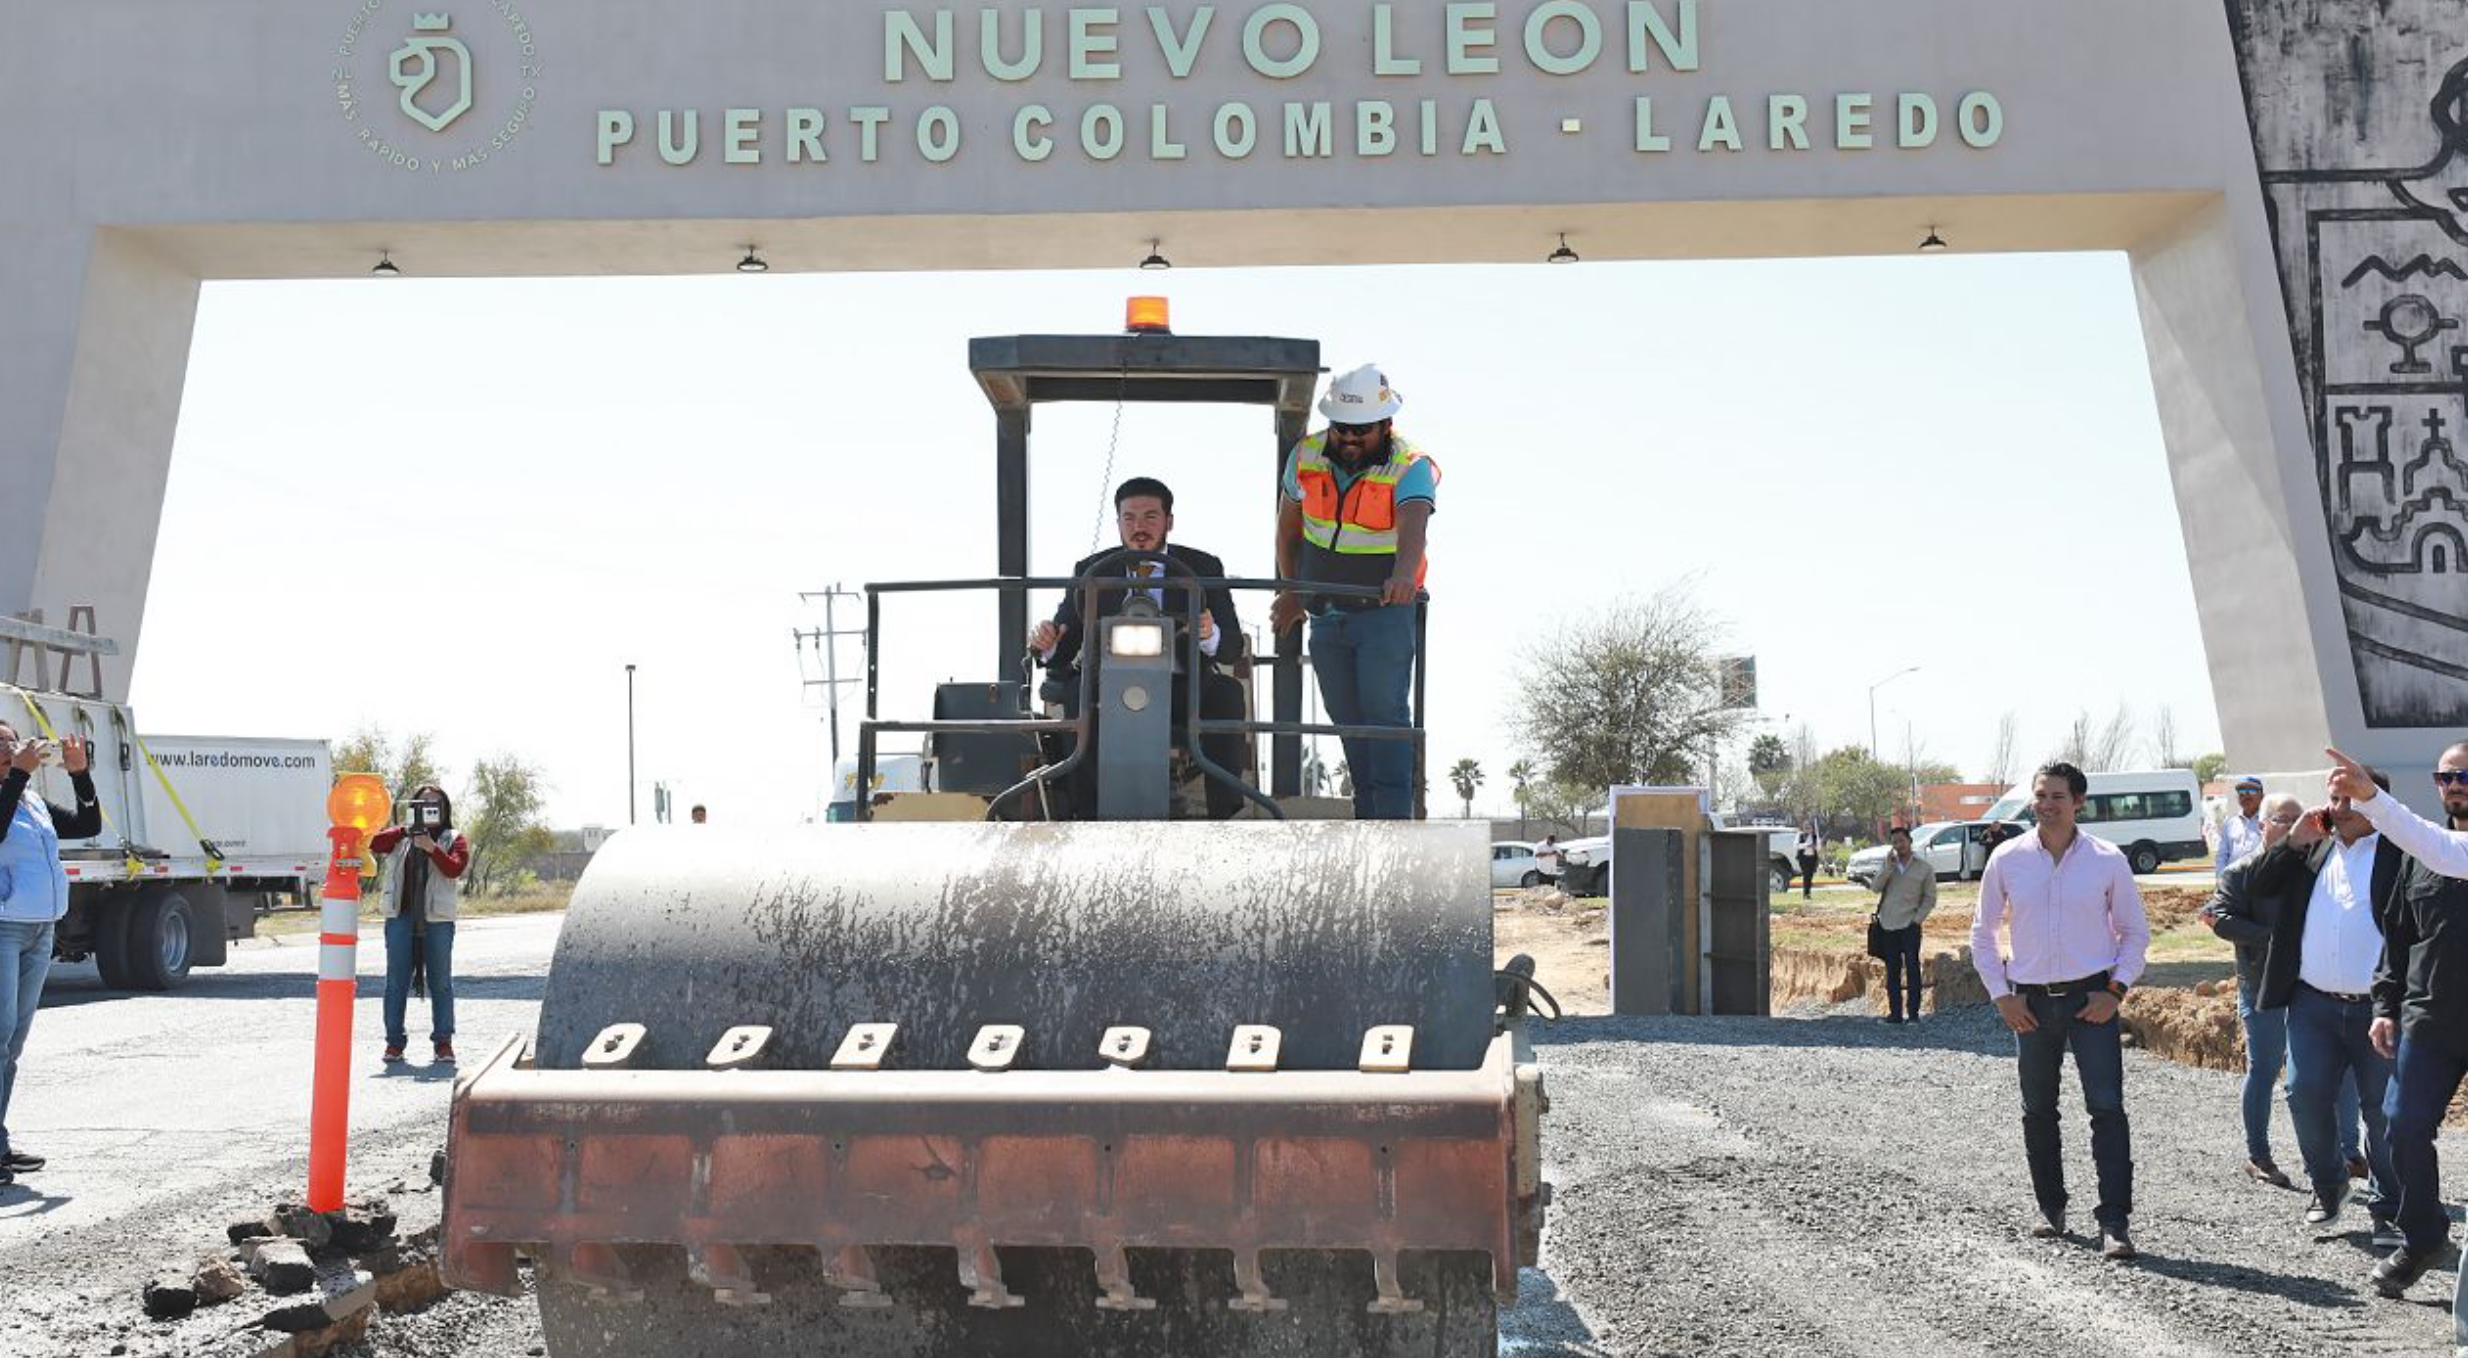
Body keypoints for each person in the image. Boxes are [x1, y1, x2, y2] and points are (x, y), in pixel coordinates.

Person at [1970, 761, 2151, 1261]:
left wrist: (2114, 991)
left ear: (2079, 803)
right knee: (2038, 1110)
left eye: (2057, 796)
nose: (2046, 805)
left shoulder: (2107, 860)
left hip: (2092, 999)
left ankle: (2114, 1222)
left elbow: (2135, 933)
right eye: (2040, 795)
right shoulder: (2007, 859)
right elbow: (1981, 932)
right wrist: (2001, 995)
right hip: (2028, 1000)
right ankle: (2051, 1209)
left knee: (2107, 1109)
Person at [1269, 365, 1437, 821]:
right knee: (1348, 723)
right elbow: (1288, 532)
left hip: (1383, 614)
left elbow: (1414, 526)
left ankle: (1396, 825)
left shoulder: (1410, 466)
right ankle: (1368, 819)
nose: (1348, 438)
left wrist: (1403, 576)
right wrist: (1293, 592)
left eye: (1360, 430)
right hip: (1326, 616)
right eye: (1341, 428)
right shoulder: (1305, 457)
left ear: (1385, 424)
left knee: (1384, 721)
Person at [2251, 762, 2410, 1244]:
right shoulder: (2312, 852)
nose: (2337, 809)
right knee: (2304, 1095)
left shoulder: (2402, 854)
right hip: (2312, 1004)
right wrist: (2292, 840)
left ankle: (2389, 1209)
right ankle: (2329, 1184)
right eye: (2333, 799)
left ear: (2375, 803)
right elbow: (2256, 886)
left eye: (2349, 800)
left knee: (2382, 1112)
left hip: (2378, 1011)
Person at [1033, 476, 1251, 820]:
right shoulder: (1091, 570)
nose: (1139, 527)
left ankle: (1223, 814)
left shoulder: (1203, 567)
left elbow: (1230, 648)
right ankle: (1086, 815)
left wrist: (1208, 633)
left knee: (1225, 692)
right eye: (1129, 518)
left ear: (1169, 522)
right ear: (1118, 523)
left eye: (1151, 517)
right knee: (1076, 695)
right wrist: (1046, 642)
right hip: (1109, 685)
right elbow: (1063, 643)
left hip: (1182, 685)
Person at [2364, 739, 2468, 1303]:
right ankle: (2424, 1236)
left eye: (2464, 776)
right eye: (2445, 777)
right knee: (2401, 1125)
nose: (2454, 785)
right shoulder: (2418, 852)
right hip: (2430, 1019)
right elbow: (2397, 939)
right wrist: (2385, 1006)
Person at [2202, 791, 2350, 1187]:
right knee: (2265, 1068)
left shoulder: (2319, 866)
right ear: (2263, 826)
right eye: (2283, 819)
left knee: (2336, 1073)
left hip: (2312, 986)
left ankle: (2348, 1154)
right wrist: (2276, 938)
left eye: (2298, 817)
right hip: (2262, 983)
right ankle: (2259, 1155)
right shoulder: (2241, 872)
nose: (2292, 825)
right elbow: (2219, 917)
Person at [0, 725, 98, 1185]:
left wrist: (81, 776)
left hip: (40, 929)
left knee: (12, 1045)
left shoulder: (32, 802)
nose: (9, 751)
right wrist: (18, 774)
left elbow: (87, 825)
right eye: (0, 746)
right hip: (3, 929)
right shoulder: (12, 791)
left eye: (11, 743)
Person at [369, 785, 470, 1064]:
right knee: (396, 981)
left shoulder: (454, 838)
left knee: (440, 982)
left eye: (434, 804)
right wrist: (406, 830)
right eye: (422, 804)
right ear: (413, 807)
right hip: (400, 917)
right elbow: (374, 844)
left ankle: (443, 1043)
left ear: (444, 808)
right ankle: (394, 1043)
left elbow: (454, 869)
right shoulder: (400, 837)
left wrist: (431, 848)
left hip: (437, 919)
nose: (428, 809)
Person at [1871, 825, 1938, 1024]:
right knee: (1892, 970)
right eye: (1895, 842)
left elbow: (1930, 898)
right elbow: (1875, 888)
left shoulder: (1924, 868)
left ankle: (1914, 1015)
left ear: (1910, 841)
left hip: (1910, 925)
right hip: (1888, 925)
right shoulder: (1888, 865)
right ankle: (1895, 1014)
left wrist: (1916, 920)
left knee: (1912, 968)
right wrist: (1888, 868)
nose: (1899, 845)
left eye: (1902, 841)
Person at [2216, 774, 2266, 874]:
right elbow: (2222, 855)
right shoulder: (2230, 824)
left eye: (2251, 791)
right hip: (2234, 880)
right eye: (2242, 792)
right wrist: (2221, 877)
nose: (2246, 795)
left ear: (2262, 796)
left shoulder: (2268, 822)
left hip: (2259, 879)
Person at [1796, 824, 1821, 900]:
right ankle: (1805, 894)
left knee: (1810, 876)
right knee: (1806, 875)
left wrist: (1815, 846)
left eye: (1809, 828)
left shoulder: (1815, 836)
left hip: (1812, 858)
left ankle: (1808, 893)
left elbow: (1818, 848)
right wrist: (1806, 845)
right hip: (1803, 858)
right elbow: (1796, 845)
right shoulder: (1800, 835)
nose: (1808, 830)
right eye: (1806, 828)